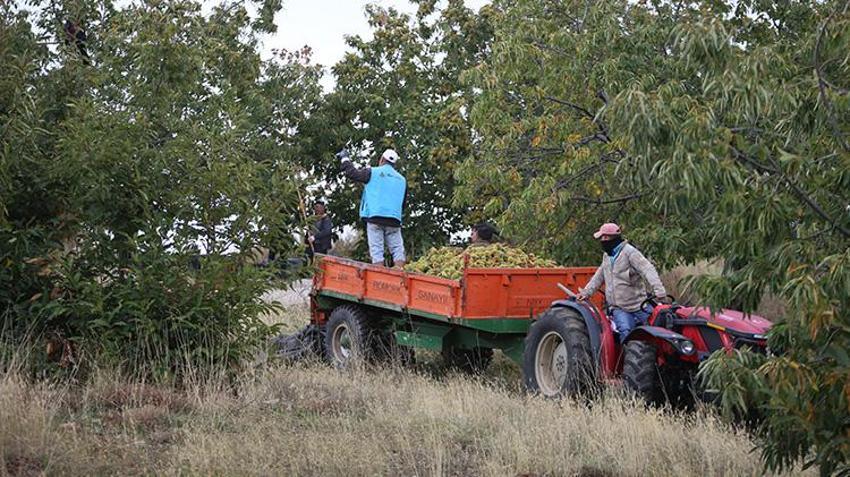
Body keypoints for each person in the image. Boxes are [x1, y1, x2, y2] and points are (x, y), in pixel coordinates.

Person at [577, 223, 668, 342]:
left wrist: (659, 291)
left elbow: (647, 269)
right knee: (626, 332)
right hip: (619, 307)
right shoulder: (607, 256)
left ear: (612, 238)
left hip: (638, 305)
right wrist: (586, 292)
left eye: (604, 238)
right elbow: (599, 276)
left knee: (657, 328)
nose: (602, 241)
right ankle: (628, 358)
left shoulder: (630, 253)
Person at [337, 148, 407, 268]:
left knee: (377, 250)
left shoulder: (373, 172)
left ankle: (378, 275)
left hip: (375, 217)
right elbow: (403, 202)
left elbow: (352, 173)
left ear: (381, 160)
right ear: (394, 164)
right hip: (394, 219)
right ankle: (399, 272)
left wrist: (345, 158)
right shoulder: (402, 180)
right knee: (397, 248)